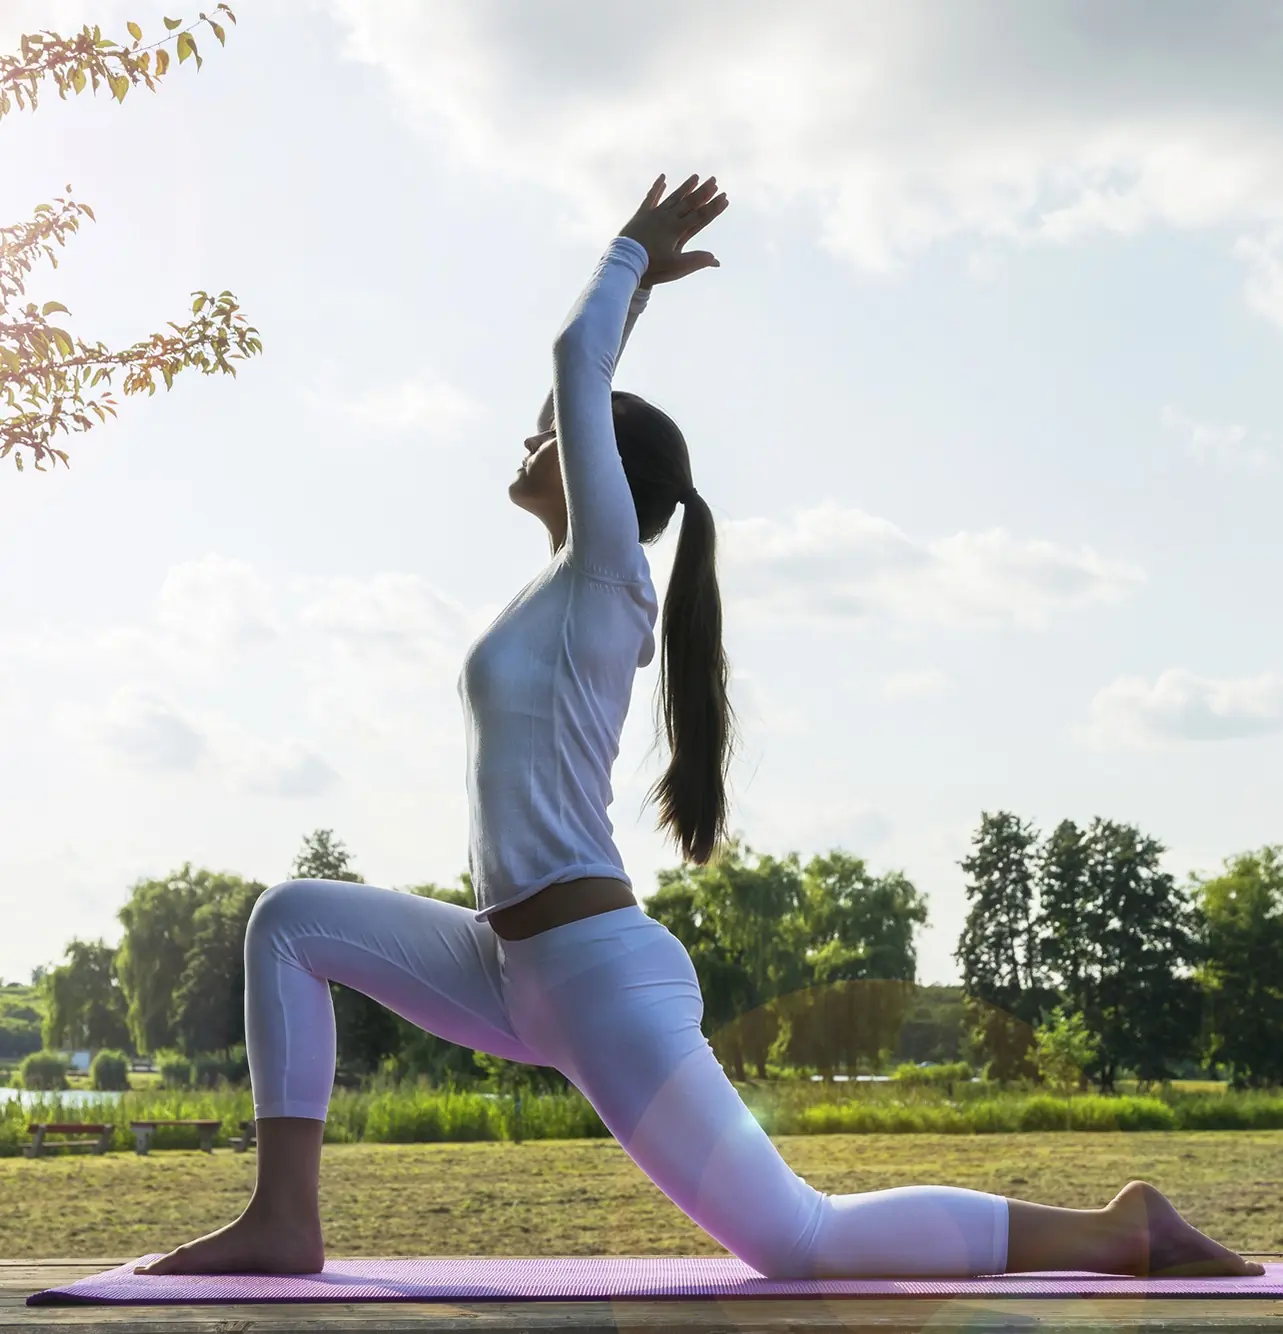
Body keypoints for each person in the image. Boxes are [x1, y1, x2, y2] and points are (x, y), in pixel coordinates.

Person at [135, 173, 1263, 1282]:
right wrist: (639, 303)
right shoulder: (560, 591)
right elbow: (584, 384)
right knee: (286, 920)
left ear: (603, 478)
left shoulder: (607, 577)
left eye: (553, 438)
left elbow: (575, 368)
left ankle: (1120, 1228)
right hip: (508, 962)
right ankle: (282, 1215)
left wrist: (625, 255)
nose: (529, 443)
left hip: (589, 973)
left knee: (799, 1241)